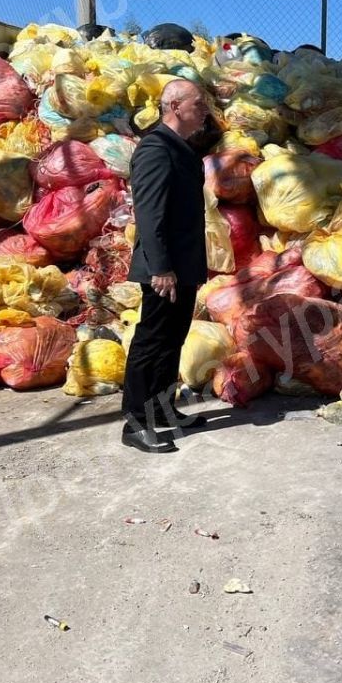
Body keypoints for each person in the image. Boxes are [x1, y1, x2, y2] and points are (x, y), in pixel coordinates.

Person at [121, 80, 220, 453]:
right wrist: (161, 268)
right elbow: (150, 215)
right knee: (152, 342)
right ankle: (135, 424)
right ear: (175, 106)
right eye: (199, 103)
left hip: (184, 264)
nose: (205, 110)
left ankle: (163, 410)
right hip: (164, 269)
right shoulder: (155, 149)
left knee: (173, 340)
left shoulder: (182, 148)